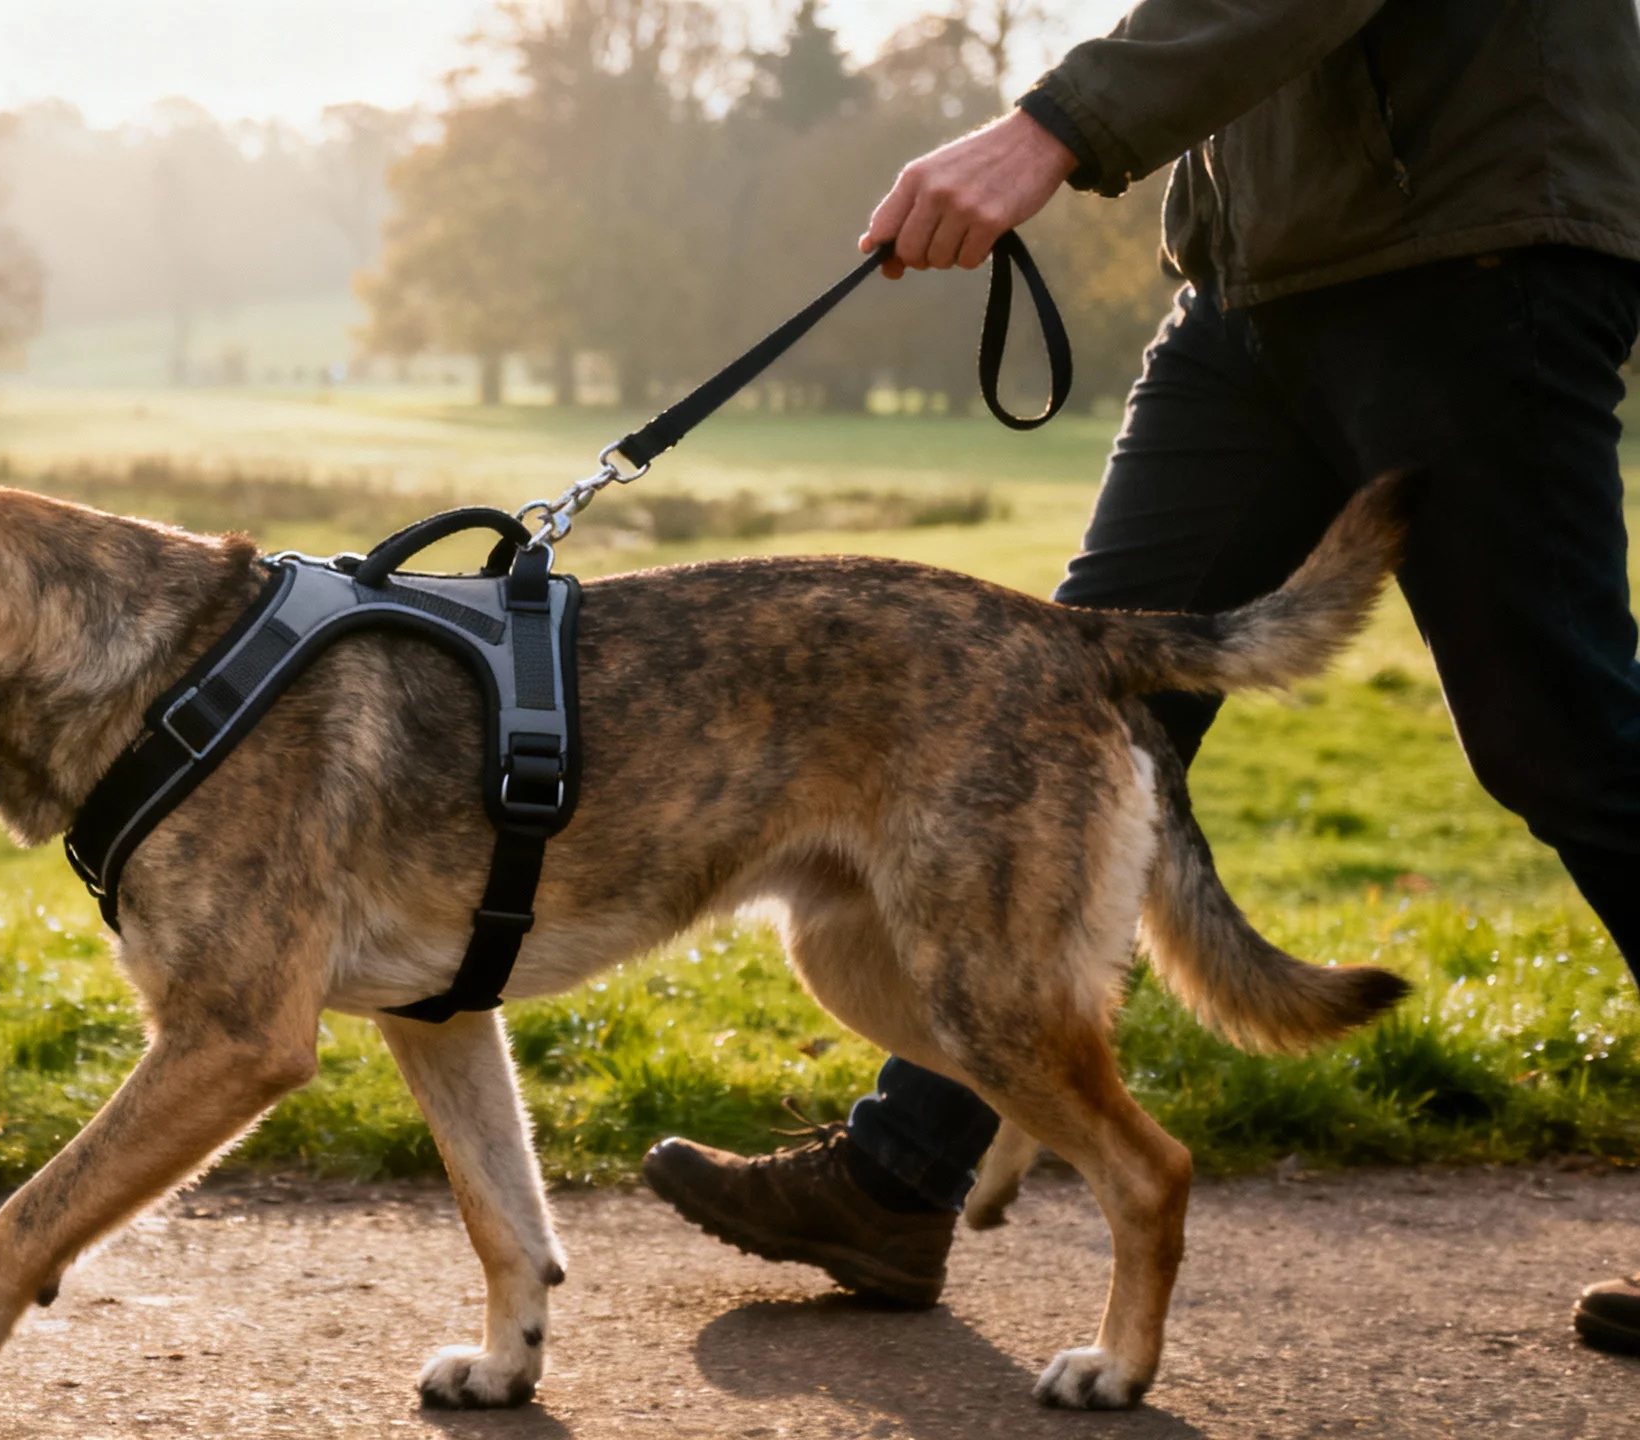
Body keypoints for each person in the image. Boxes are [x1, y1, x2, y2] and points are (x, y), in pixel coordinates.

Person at [641, 0, 1640, 1358]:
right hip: (1256, 280)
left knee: (1566, 741)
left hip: (1465, 244)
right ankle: (898, 1178)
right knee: (1030, 705)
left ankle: (909, 1168)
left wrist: (1054, 126)